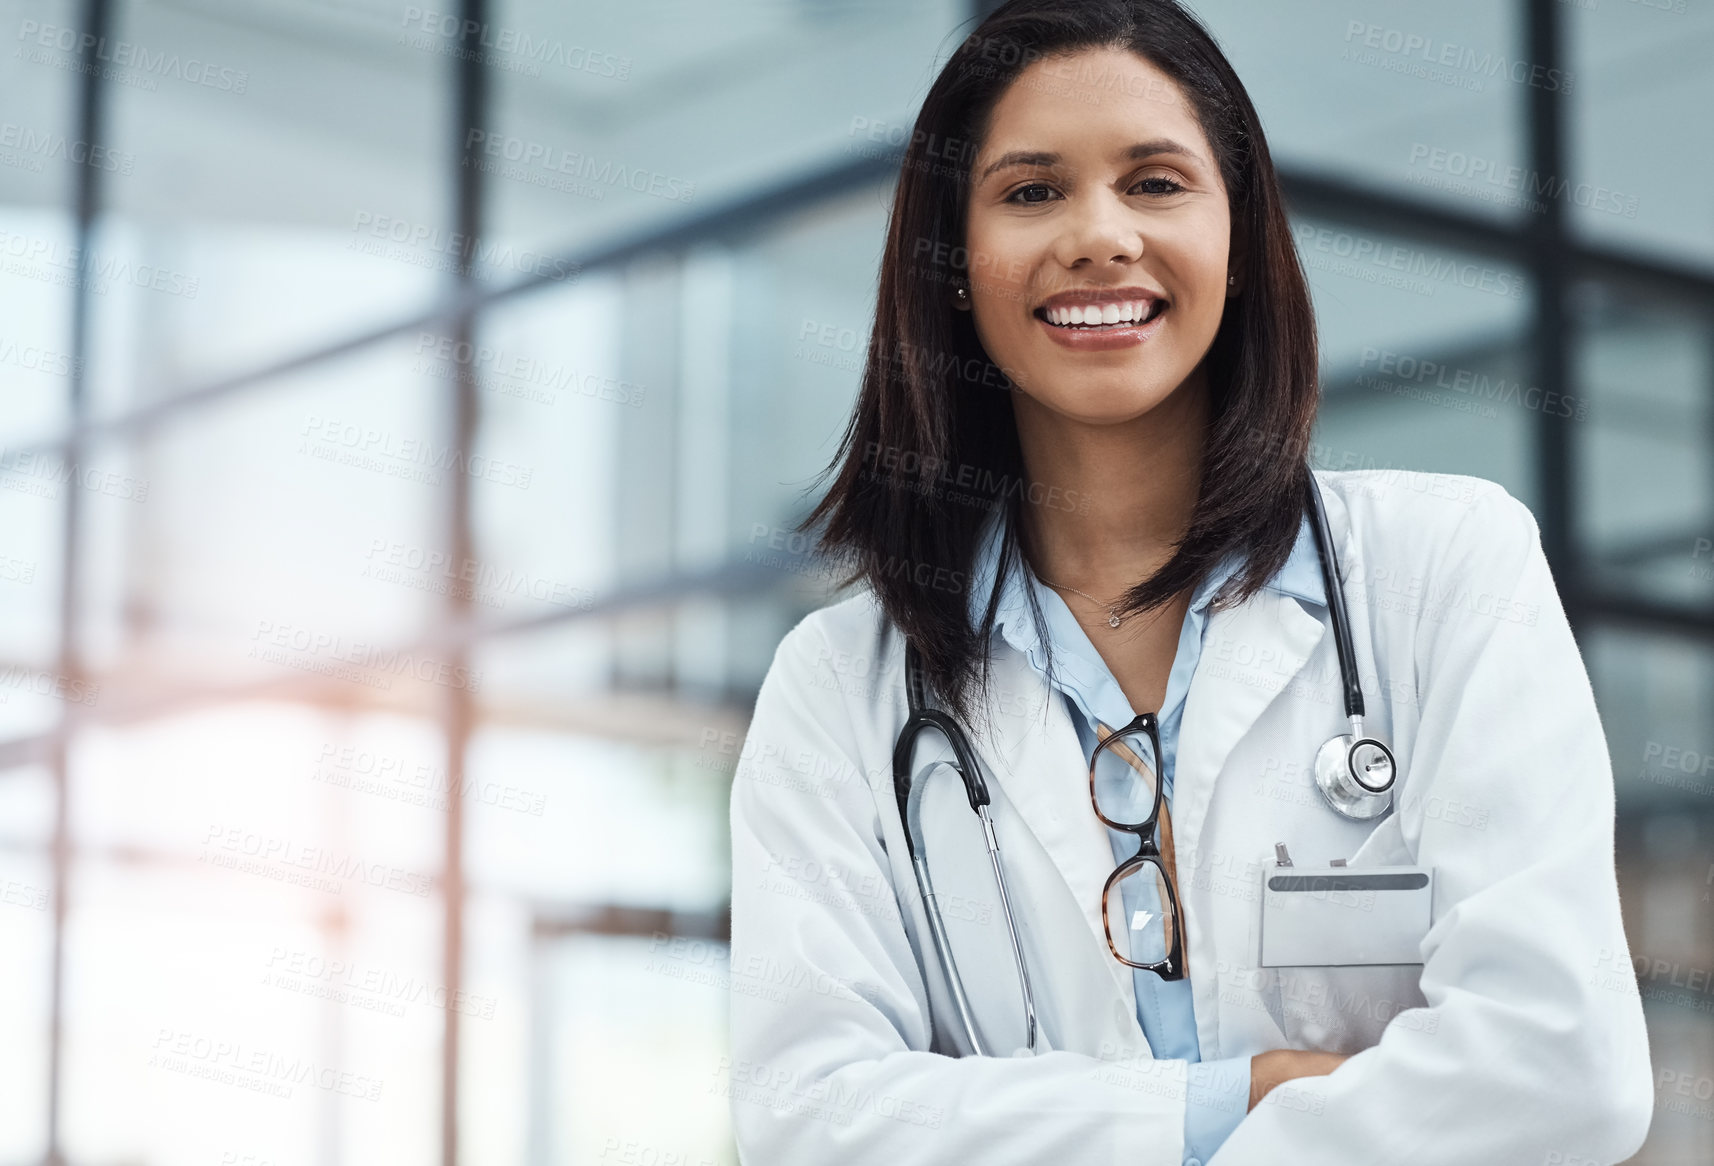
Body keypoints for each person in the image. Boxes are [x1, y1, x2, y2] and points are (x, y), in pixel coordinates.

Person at [725, 1, 1653, 1162]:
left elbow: (1565, 1069)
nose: (1098, 234)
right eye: (1029, 192)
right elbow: (809, 1121)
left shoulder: (1446, 568)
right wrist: (1238, 1097)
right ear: (952, 266)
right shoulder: (839, 687)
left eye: (1156, 183)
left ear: (1240, 239)